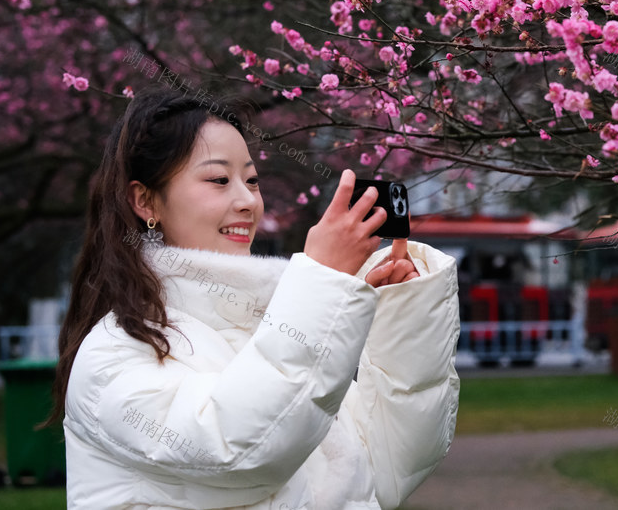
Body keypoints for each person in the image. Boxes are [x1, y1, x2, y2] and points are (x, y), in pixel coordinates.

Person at [46, 89, 460, 509]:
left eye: (252, 180)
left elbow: (388, 467)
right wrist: (323, 283)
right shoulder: (115, 353)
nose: (247, 201)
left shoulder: (274, 329)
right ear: (145, 200)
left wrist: (402, 316)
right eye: (219, 180)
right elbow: (239, 451)